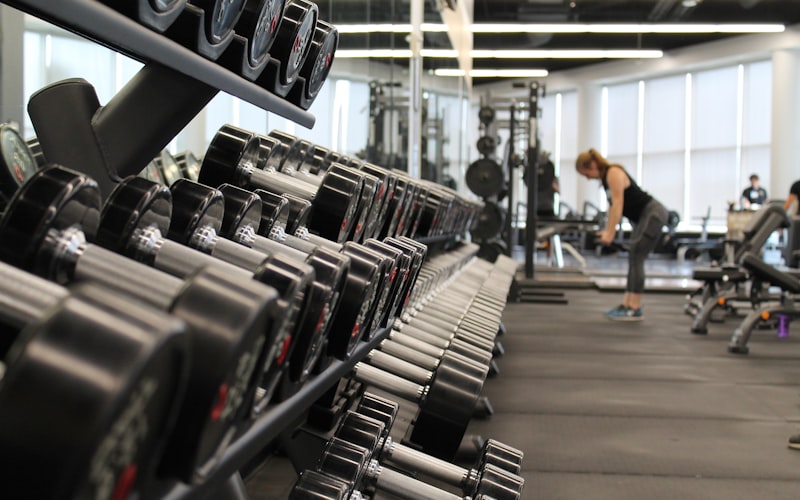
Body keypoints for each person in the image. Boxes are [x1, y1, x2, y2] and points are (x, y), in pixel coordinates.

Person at [575, 148, 669, 321]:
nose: (587, 177)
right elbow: (612, 208)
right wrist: (608, 230)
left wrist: (611, 233)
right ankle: (627, 304)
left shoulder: (613, 172)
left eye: (586, 173)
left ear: (593, 164)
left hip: (653, 214)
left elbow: (618, 204)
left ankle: (634, 307)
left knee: (637, 255)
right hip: (643, 217)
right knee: (634, 256)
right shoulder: (605, 180)